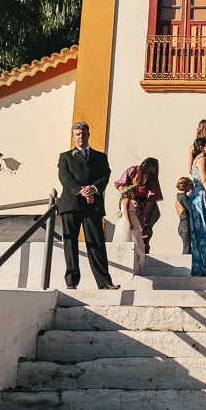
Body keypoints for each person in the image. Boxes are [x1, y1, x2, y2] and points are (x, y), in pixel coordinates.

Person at [57, 121, 118, 290]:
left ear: (88, 135)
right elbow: (65, 178)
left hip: (93, 205)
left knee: (97, 242)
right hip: (71, 204)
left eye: (83, 134)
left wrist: (94, 189)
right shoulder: (65, 157)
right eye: (77, 134)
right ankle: (71, 282)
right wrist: (82, 191)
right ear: (73, 137)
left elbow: (105, 176)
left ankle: (104, 282)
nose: (80, 137)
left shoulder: (100, 157)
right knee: (70, 243)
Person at [116, 158, 162, 257]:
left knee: (143, 230)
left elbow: (150, 200)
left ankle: (143, 250)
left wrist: (142, 217)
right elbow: (121, 186)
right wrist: (130, 198)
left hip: (144, 206)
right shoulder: (132, 171)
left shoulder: (153, 181)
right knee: (127, 227)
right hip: (129, 201)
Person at [188, 137, 206, 276]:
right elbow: (204, 179)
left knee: (199, 231)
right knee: (205, 229)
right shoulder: (202, 160)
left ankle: (201, 265)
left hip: (196, 195)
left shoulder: (195, 160)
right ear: (202, 147)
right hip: (202, 195)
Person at [174, 177, 193, 254]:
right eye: (190, 184)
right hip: (185, 225)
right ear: (185, 185)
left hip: (182, 225)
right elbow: (190, 208)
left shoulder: (179, 196)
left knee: (187, 248)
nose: (191, 186)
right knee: (187, 249)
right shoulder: (183, 196)